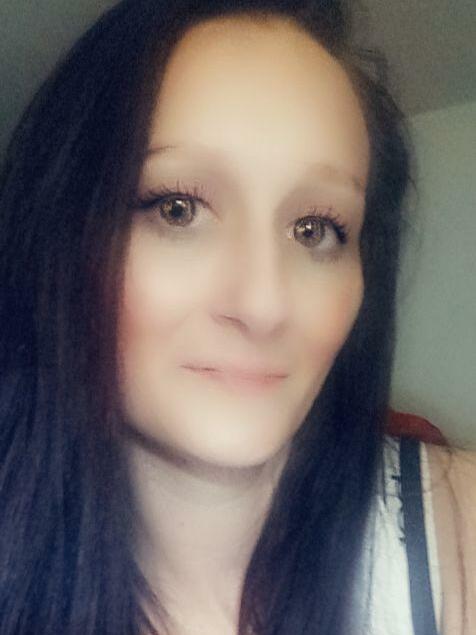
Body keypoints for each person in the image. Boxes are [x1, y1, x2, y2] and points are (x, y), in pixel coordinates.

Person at [0, 1, 474, 634]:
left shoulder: (461, 531)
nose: (263, 305)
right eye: (177, 209)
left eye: (315, 229)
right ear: (60, 237)